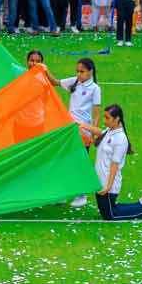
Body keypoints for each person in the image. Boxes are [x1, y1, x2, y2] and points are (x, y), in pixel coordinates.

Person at [78, 104, 142, 220]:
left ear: (116, 119)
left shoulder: (121, 140)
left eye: (107, 118)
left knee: (110, 215)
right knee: (107, 211)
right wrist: (83, 126)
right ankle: (141, 204)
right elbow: (101, 132)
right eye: (104, 117)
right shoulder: (110, 131)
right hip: (100, 179)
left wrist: (108, 186)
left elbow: (114, 165)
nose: (104, 121)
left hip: (108, 183)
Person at [46, 58, 101, 208]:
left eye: (82, 71)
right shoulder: (74, 82)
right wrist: (44, 69)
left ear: (90, 72)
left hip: (84, 130)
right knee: (66, 160)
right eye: (77, 71)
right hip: (70, 129)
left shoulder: (95, 89)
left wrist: (93, 133)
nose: (79, 74)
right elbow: (55, 82)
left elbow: (96, 114)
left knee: (79, 162)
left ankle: (81, 195)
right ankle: (65, 194)